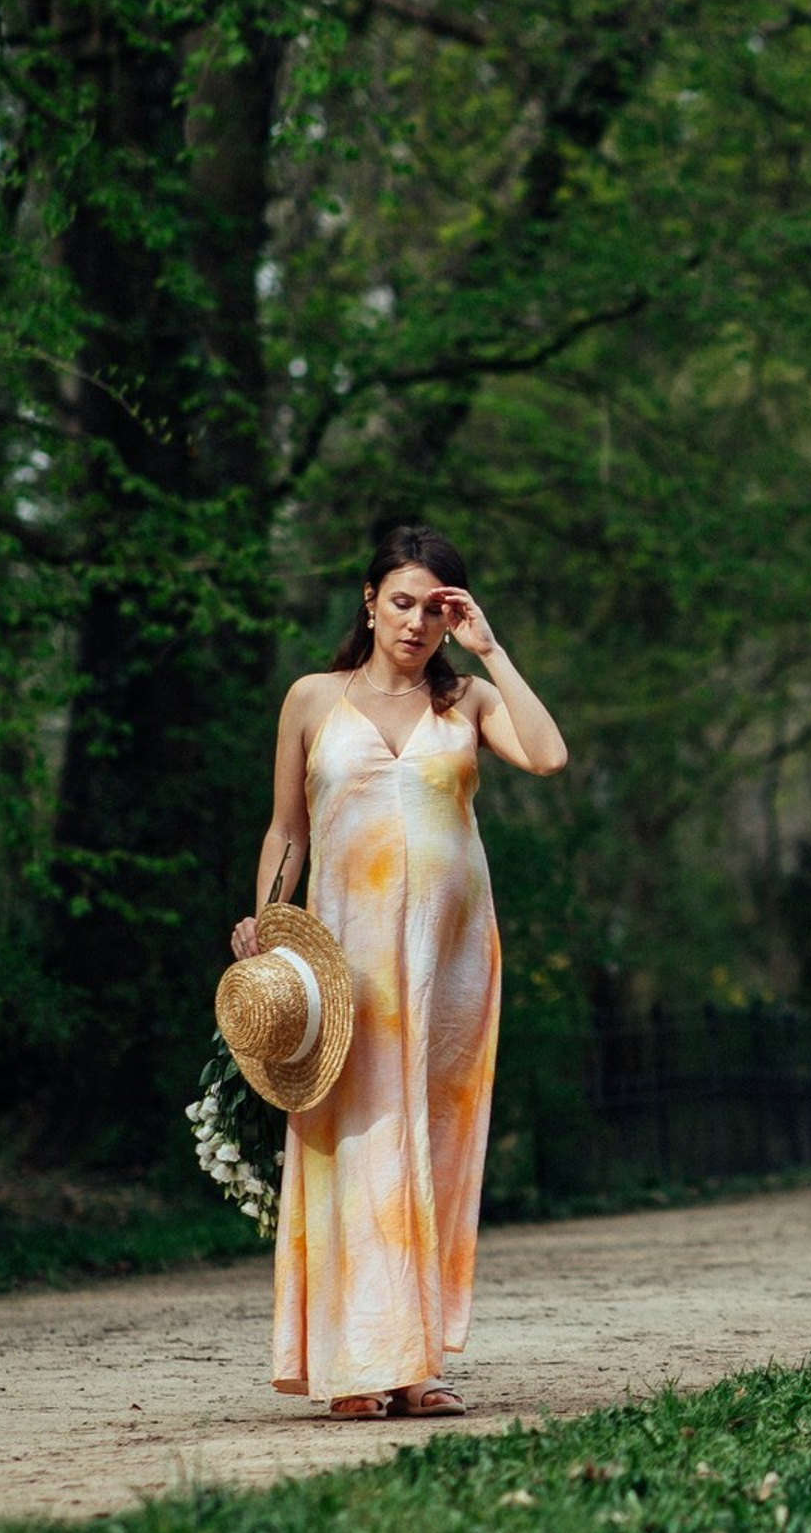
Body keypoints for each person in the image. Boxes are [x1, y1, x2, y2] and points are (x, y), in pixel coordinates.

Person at [231, 524, 567, 1417]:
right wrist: (268, 917)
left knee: (431, 1142)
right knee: (356, 1145)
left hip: (449, 963)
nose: (417, 622)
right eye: (403, 601)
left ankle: (416, 1366)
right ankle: (354, 1367)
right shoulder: (313, 699)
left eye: (436, 606)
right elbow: (289, 828)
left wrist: (491, 648)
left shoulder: (470, 701)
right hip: (348, 961)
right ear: (370, 602)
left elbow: (549, 755)